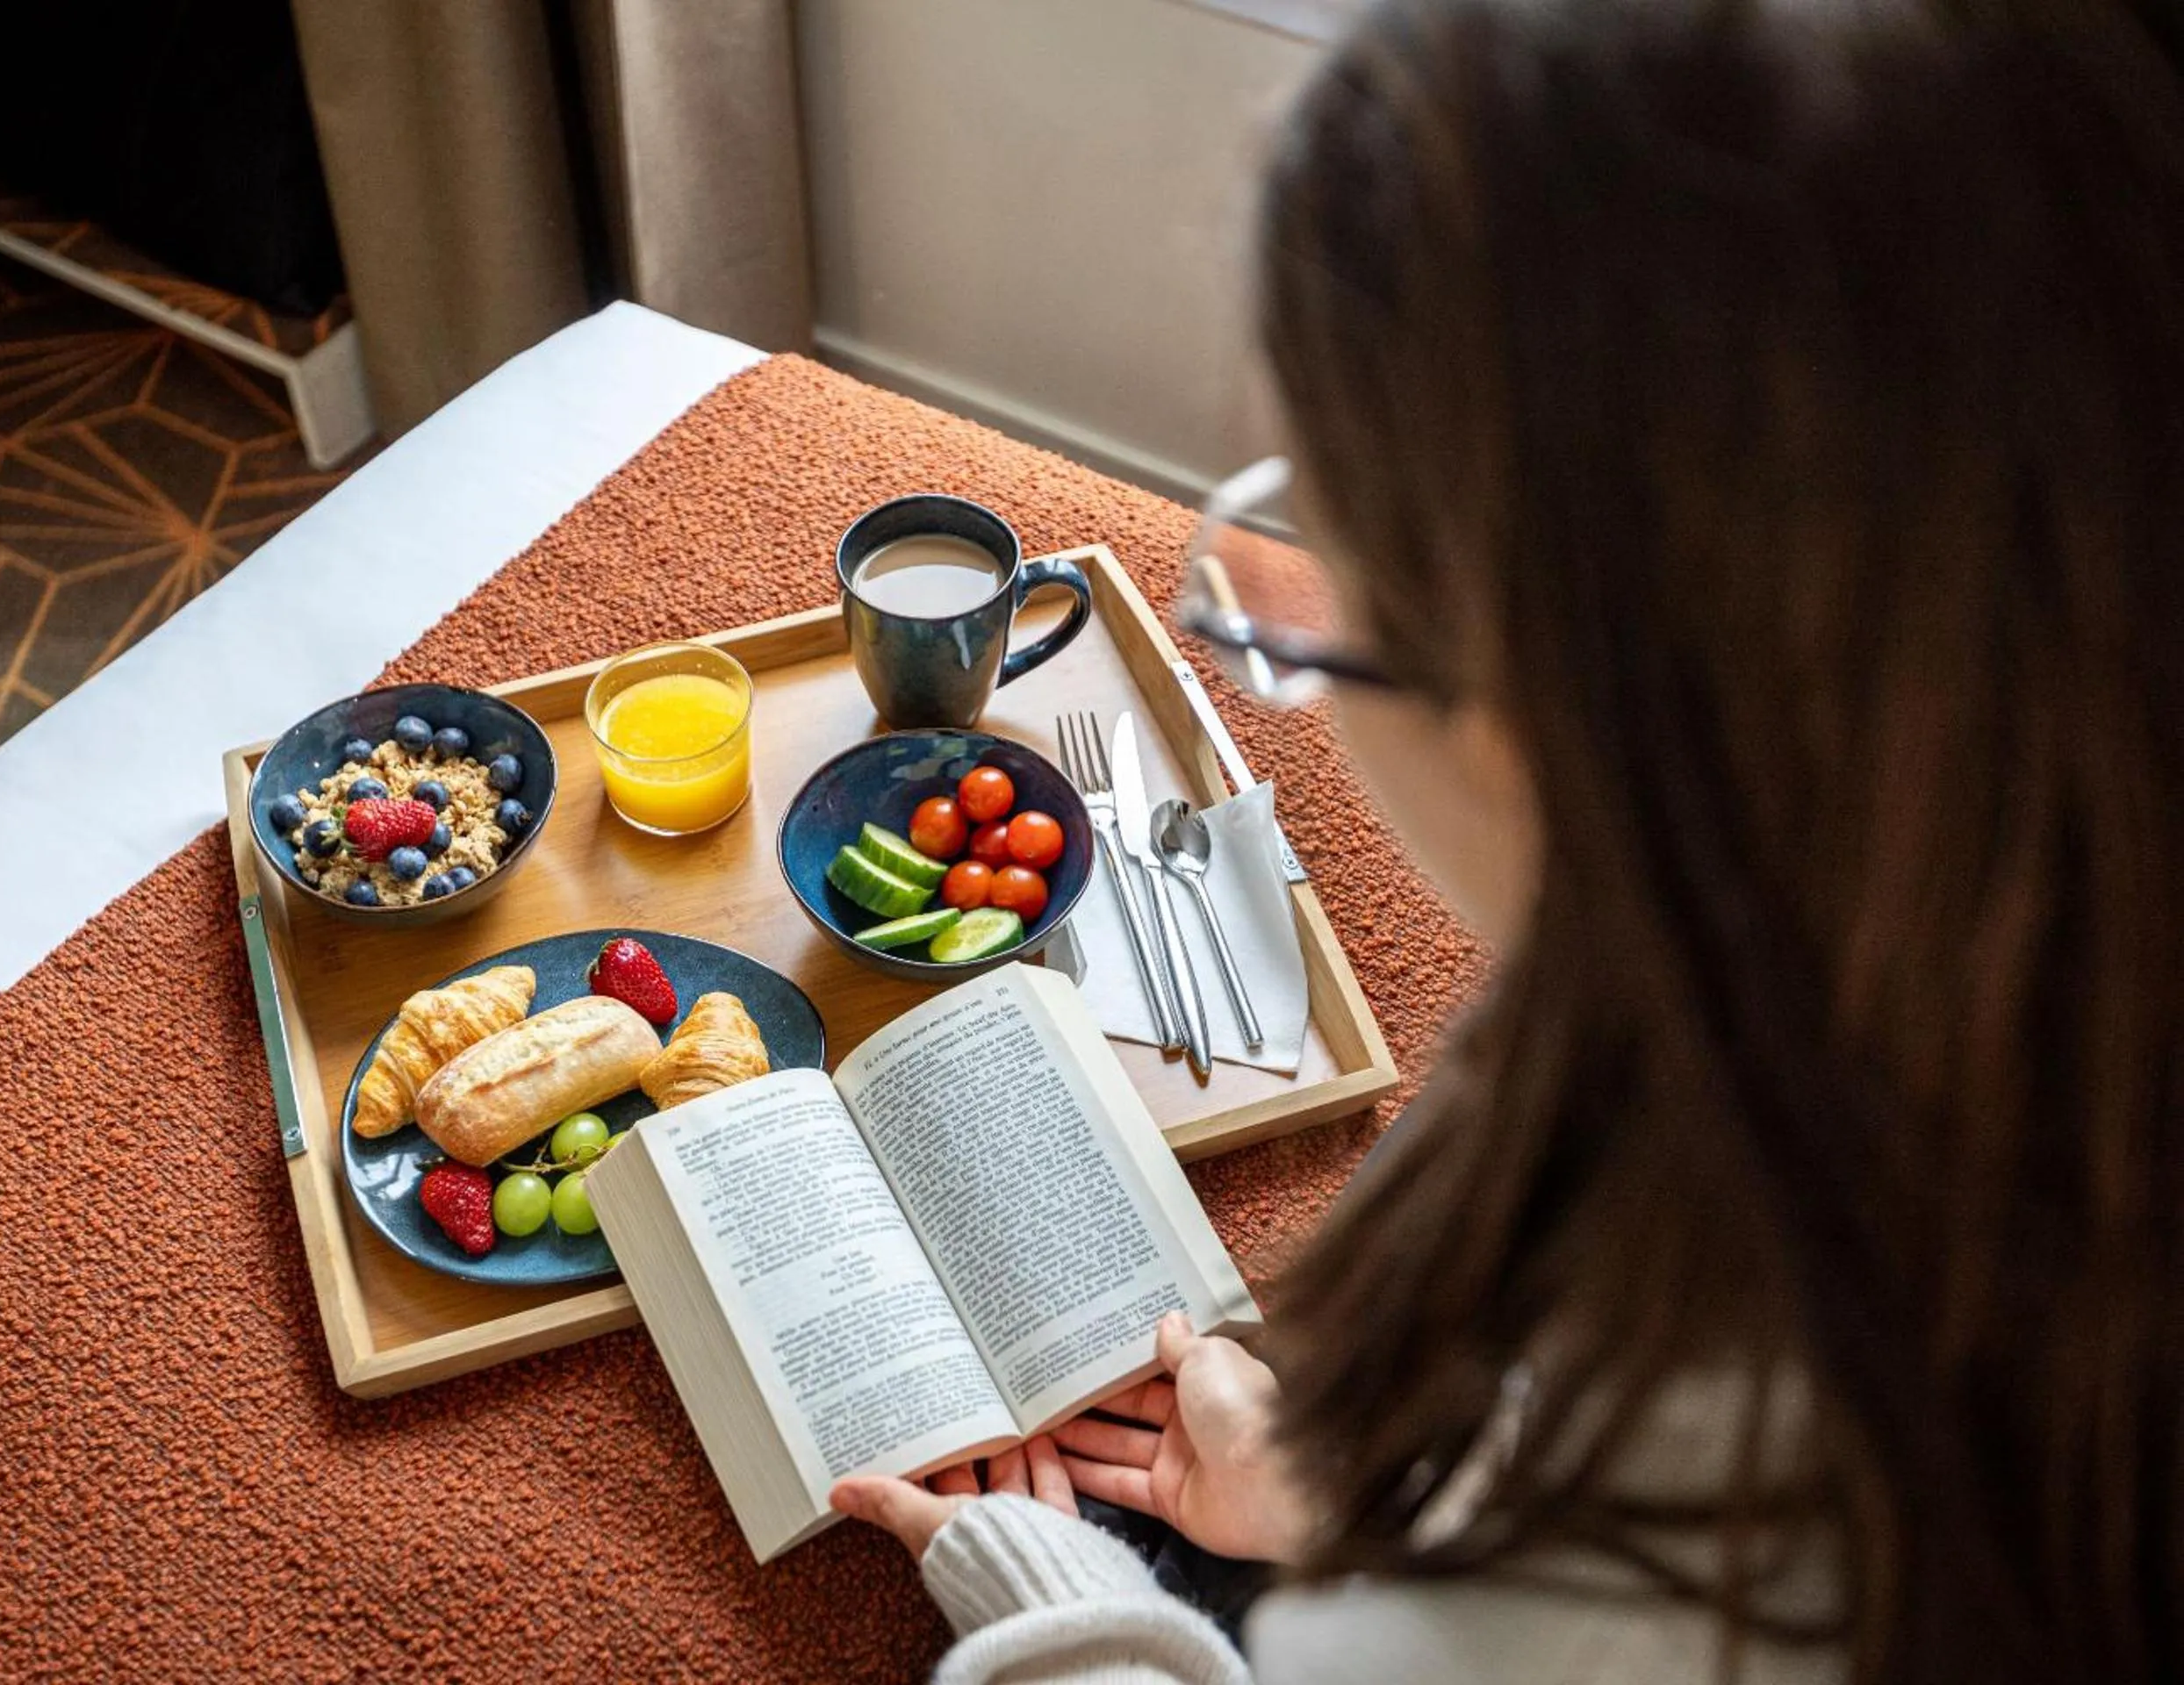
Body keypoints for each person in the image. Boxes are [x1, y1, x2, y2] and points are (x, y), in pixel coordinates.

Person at [830, 1, 2184, 1681]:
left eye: (1343, 581)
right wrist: (1385, 1500)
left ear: (1574, 714)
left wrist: (1072, 1624)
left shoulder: (1623, 1584)